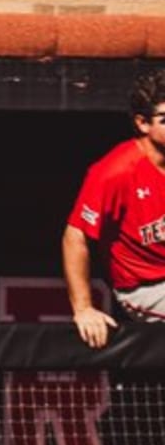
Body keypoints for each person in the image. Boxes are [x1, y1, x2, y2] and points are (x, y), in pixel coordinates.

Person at [64, 68, 165, 348]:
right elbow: (75, 237)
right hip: (145, 287)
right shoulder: (115, 171)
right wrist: (83, 308)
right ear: (143, 123)